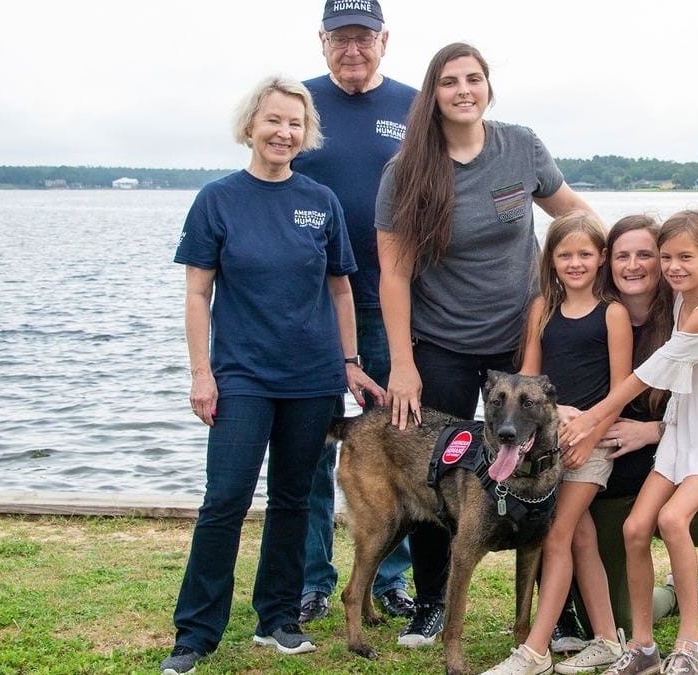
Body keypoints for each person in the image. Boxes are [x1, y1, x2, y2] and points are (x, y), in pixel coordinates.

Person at [158, 75, 385, 675]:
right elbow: (197, 293)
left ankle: (277, 618)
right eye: (273, 121)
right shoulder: (217, 199)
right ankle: (196, 632)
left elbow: (341, 291)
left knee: (292, 500)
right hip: (241, 378)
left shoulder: (321, 201)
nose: (283, 132)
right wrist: (201, 374)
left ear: (305, 133)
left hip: (312, 379)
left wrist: (350, 362)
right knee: (225, 499)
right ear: (250, 127)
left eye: (294, 123)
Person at [374, 41, 595, 648]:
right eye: (450, 81)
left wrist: (628, 258)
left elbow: (571, 214)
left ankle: (563, 612)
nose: (463, 90)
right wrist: (402, 364)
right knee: (437, 473)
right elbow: (392, 274)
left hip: (520, 342)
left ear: (488, 86)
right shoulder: (407, 171)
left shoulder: (519, 146)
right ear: (433, 93)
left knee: (549, 470)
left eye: (474, 79)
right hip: (441, 343)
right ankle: (432, 602)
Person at [562, 210, 698, 675]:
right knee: (635, 528)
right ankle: (643, 647)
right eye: (667, 257)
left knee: (673, 517)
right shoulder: (682, 300)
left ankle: (692, 641)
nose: (671, 266)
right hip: (684, 434)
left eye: (683, 257)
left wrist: (594, 420)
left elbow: (649, 374)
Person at [291, 0, 418, 625]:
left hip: (393, 306)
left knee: (393, 444)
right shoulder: (298, 103)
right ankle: (314, 579)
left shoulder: (416, 105)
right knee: (311, 445)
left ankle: (390, 580)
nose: (353, 49)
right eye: (341, 38)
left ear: (384, 42)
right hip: (312, 311)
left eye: (364, 38)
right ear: (322, 42)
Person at [482, 212, 632, 675]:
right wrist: (556, 415)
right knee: (581, 535)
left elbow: (622, 388)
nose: (575, 262)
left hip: (594, 441)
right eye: (564, 254)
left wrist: (585, 428)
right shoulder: (542, 308)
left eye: (585, 254)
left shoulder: (614, 313)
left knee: (557, 534)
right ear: (551, 259)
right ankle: (608, 639)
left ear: (601, 257)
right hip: (549, 440)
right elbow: (528, 378)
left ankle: (535, 651)